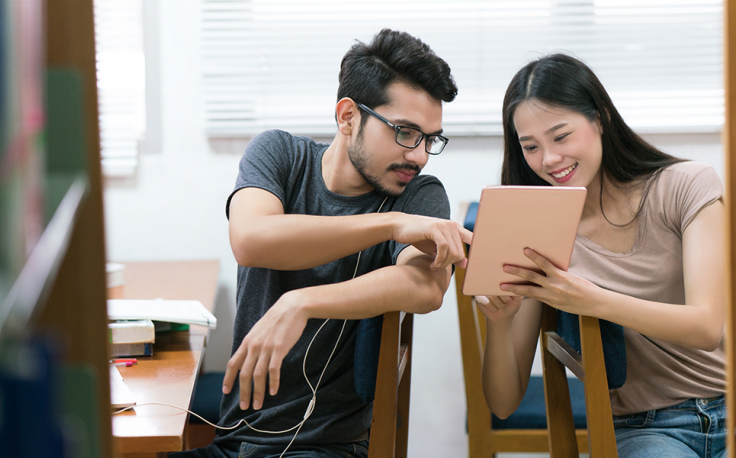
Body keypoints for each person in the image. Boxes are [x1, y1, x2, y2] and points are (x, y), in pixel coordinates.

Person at [170, 29, 472, 458]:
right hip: (234, 440)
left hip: (326, 447)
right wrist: (391, 224)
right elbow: (252, 240)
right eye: (405, 132)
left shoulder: (420, 194)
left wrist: (303, 302)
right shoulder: (279, 155)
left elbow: (426, 286)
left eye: (430, 138)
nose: (419, 155)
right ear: (348, 117)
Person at [478, 53, 727, 458]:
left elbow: (705, 327)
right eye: (530, 146)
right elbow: (503, 404)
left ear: (601, 119)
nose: (549, 160)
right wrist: (501, 327)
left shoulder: (687, 185)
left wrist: (592, 301)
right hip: (647, 429)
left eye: (560, 136)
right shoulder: (536, 233)